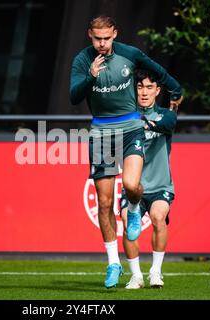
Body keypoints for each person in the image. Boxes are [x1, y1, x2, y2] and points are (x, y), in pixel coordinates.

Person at [70, 15, 183, 288]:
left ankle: (134, 209)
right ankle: (113, 263)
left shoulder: (130, 54)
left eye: (107, 38)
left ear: (115, 34)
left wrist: (175, 88)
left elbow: (156, 69)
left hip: (130, 128)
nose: (102, 43)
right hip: (101, 133)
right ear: (90, 35)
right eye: (97, 38)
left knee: (132, 185)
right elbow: (74, 96)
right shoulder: (83, 61)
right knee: (105, 201)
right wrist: (90, 78)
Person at [120, 69, 177, 289]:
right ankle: (136, 276)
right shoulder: (125, 115)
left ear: (157, 90)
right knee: (127, 223)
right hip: (134, 186)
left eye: (149, 87)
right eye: (140, 87)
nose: (144, 92)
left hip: (161, 185)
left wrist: (144, 124)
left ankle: (155, 272)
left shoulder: (166, 115)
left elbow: (168, 125)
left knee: (157, 217)